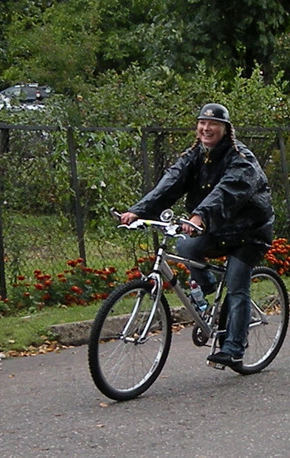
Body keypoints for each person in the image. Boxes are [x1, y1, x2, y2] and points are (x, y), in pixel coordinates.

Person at [120, 103, 274, 368]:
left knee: (237, 286)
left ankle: (234, 348)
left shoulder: (241, 159)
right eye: (202, 123)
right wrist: (138, 211)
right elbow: (170, 183)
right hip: (216, 227)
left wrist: (200, 214)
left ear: (226, 129)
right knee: (186, 247)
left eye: (213, 124)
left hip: (249, 231)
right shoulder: (195, 155)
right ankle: (212, 294)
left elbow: (228, 189)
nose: (206, 128)